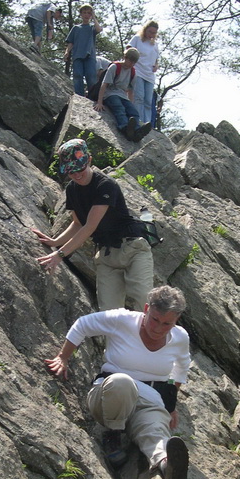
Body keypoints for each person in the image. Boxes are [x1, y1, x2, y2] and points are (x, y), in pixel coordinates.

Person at [45, 286, 191, 479]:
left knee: (156, 429)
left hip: (150, 398)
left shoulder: (180, 337)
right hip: (110, 394)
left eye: (167, 324)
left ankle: (166, 465)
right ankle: (113, 433)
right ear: (147, 308)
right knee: (122, 382)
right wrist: (63, 357)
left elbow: (181, 369)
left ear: (176, 320)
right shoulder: (122, 319)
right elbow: (83, 325)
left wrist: (170, 405)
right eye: (155, 319)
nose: (158, 328)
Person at [32, 138, 154, 312]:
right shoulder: (71, 190)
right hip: (107, 254)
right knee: (108, 314)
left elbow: (89, 226)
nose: (76, 174)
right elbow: (77, 222)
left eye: (80, 168)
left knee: (144, 302)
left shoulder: (105, 185)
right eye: (71, 171)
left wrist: (59, 255)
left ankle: (151, 338)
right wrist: (54, 242)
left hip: (133, 248)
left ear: (89, 160)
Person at [94, 48, 152, 142]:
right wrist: (99, 102)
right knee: (119, 107)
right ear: (125, 57)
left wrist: (131, 104)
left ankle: (137, 131)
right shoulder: (114, 67)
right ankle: (125, 127)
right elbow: (104, 85)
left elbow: (130, 91)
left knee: (133, 112)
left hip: (122, 95)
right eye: (130, 61)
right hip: (110, 93)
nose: (131, 64)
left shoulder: (133, 72)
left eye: (134, 62)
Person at [64, 4, 102, 96]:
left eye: (88, 13)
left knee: (91, 76)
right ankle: (79, 95)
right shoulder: (76, 28)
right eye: (84, 13)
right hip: (77, 55)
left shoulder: (92, 28)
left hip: (90, 56)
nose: (86, 15)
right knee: (77, 76)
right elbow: (71, 42)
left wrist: (94, 17)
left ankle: (93, 96)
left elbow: (99, 29)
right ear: (80, 14)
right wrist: (67, 52)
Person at [127, 20, 160, 125]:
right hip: (138, 71)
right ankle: (138, 120)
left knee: (148, 101)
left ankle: (147, 123)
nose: (151, 34)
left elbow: (156, 59)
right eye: (150, 31)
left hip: (150, 75)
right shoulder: (137, 39)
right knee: (139, 97)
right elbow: (128, 49)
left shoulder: (155, 44)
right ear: (145, 30)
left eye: (154, 33)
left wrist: (156, 65)